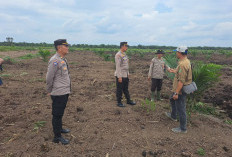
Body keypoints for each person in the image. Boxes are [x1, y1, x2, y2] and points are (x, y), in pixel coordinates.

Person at [46, 39, 71, 144]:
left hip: (64, 91)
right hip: (58, 92)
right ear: (59, 48)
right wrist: (49, 90)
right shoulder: (54, 60)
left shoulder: (62, 59)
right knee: (57, 114)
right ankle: (57, 137)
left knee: (60, 113)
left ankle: (59, 129)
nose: (67, 48)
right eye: (66, 46)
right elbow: (49, 77)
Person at [165, 46, 192, 133]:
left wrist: (176, 93)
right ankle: (173, 115)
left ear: (180, 53)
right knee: (171, 99)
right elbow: (179, 72)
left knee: (181, 109)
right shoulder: (185, 61)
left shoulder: (183, 64)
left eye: (177, 52)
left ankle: (183, 128)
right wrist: (172, 70)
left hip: (180, 90)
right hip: (177, 88)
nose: (176, 53)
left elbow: (181, 81)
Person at [115, 42, 136, 107]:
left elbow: (126, 65)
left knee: (126, 89)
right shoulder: (118, 55)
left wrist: (128, 73)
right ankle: (119, 102)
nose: (127, 47)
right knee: (119, 89)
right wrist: (119, 77)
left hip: (125, 75)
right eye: (126, 46)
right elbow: (118, 67)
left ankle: (128, 100)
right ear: (122, 46)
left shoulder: (124, 54)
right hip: (121, 75)